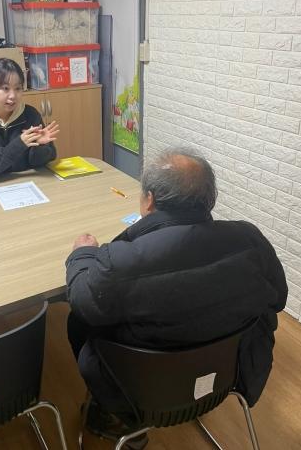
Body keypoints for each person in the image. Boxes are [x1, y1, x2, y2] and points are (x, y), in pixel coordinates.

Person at [66, 147, 287, 449]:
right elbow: (278, 299)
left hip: (138, 393)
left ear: (149, 200)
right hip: (225, 377)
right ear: (210, 199)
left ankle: (118, 418)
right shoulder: (250, 239)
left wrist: (82, 255)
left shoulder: (119, 261)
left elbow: (81, 301)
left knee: (76, 321)